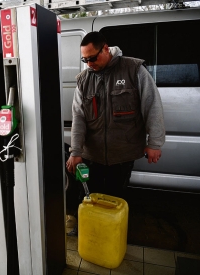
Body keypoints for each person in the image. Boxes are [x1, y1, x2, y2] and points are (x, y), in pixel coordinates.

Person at [66, 32, 165, 235]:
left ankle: (113, 233)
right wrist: (76, 151)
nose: (89, 64)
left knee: (116, 197)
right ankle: (90, 231)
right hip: (92, 154)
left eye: (92, 58)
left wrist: (154, 143)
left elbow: (152, 107)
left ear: (105, 48)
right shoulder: (84, 80)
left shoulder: (134, 69)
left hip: (122, 153)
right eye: (85, 60)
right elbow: (78, 118)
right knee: (89, 196)